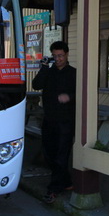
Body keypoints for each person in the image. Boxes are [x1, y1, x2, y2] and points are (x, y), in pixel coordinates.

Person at [32, 40, 76, 203]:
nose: (58, 59)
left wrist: (69, 97)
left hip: (66, 120)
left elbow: (81, 93)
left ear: (66, 55)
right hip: (49, 118)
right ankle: (66, 182)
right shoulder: (49, 72)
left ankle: (54, 189)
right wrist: (43, 68)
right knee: (49, 153)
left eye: (61, 56)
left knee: (61, 155)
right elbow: (36, 85)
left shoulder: (73, 73)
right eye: (55, 56)